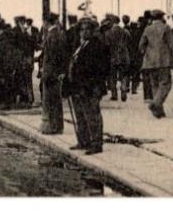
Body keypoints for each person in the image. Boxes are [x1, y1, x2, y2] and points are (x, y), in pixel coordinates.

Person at [65, 17, 110, 155]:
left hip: (91, 87)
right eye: (81, 30)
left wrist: (93, 85)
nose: (83, 32)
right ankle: (83, 141)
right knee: (81, 115)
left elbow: (101, 69)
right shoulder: (80, 45)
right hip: (78, 87)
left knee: (92, 115)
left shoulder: (96, 45)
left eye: (87, 29)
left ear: (92, 31)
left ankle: (96, 143)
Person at [139, 9, 173, 118]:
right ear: (161, 17)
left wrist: (146, 53)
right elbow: (172, 45)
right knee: (165, 84)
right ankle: (155, 104)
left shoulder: (147, 29)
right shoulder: (166, 28)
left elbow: (141, 45)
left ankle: (159, 111)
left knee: (155, 85)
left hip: (150, 62)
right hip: (163, 60)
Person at [39, 12, 68, 135]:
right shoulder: (59, 34)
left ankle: (53, 126)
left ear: (46, 22)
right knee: (55, 101)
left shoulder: (52, 35)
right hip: (54, 72)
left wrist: (47, 71)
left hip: (51, 73)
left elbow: (52, 56)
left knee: (51, 101)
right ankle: (57, 125)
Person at [103, 15, 132, 101]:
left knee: (113, 76)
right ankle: (123, 90)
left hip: (113, 57)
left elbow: (106, 46)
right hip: (124, 56)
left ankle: (114, 94)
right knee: (124, 74)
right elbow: (130, 42)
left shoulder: (108, 33)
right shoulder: (125, 31)